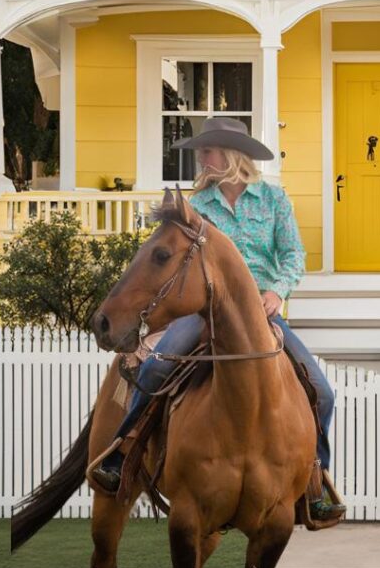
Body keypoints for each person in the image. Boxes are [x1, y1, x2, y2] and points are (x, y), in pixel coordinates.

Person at [90, 116, 344, 520]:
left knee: (323, 391)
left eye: (206, 150)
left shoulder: (273, 200)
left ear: (230, 155)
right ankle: (122, 455)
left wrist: (276, 292)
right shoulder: (196, 208)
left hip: (260, 316)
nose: (201, 158)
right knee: (154, 369)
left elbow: (294, 254)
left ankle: (314, 482)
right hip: (201, 313)